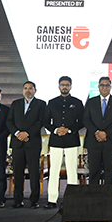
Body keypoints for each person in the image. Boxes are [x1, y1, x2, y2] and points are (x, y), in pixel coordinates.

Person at [43, 76, 84, 208]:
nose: (64, 87)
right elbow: (45, 121)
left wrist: (69, 129)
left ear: (71, 86)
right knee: (54, 170)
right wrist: (55, 130)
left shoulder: (77, 102)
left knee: (72, 170)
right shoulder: (52, 102)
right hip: (56, 140)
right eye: (62, 85)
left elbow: (82, 121)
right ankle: (52, 199)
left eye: (67, 85)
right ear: (59, 86)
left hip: (72, 140)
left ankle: (73, 200)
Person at [7, 81, 46, 208]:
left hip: (32, 142)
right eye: (25, 88)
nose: (28, 90)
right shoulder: (15, 103)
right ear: (22, 90)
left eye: (30, 88)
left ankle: (34, 200)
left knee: (34, 173)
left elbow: (41, 122)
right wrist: (18, 133)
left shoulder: (41, 104)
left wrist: (27, 133)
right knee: (17, 172)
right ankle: (17, 200)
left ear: (35, 90)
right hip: (17, 143)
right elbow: (9, 121)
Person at [83, 77, 112, 186]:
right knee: (93, 171)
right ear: (98, 87)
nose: (104, 87)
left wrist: (106, 133)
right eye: (102, 85)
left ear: (110, 87)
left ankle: (108, 195)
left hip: (110, 141)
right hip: (94, 141)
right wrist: (97, 132)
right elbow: (86, 119)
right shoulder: (91, 102)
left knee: (109, 172)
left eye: (107, 85)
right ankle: (93, 194)